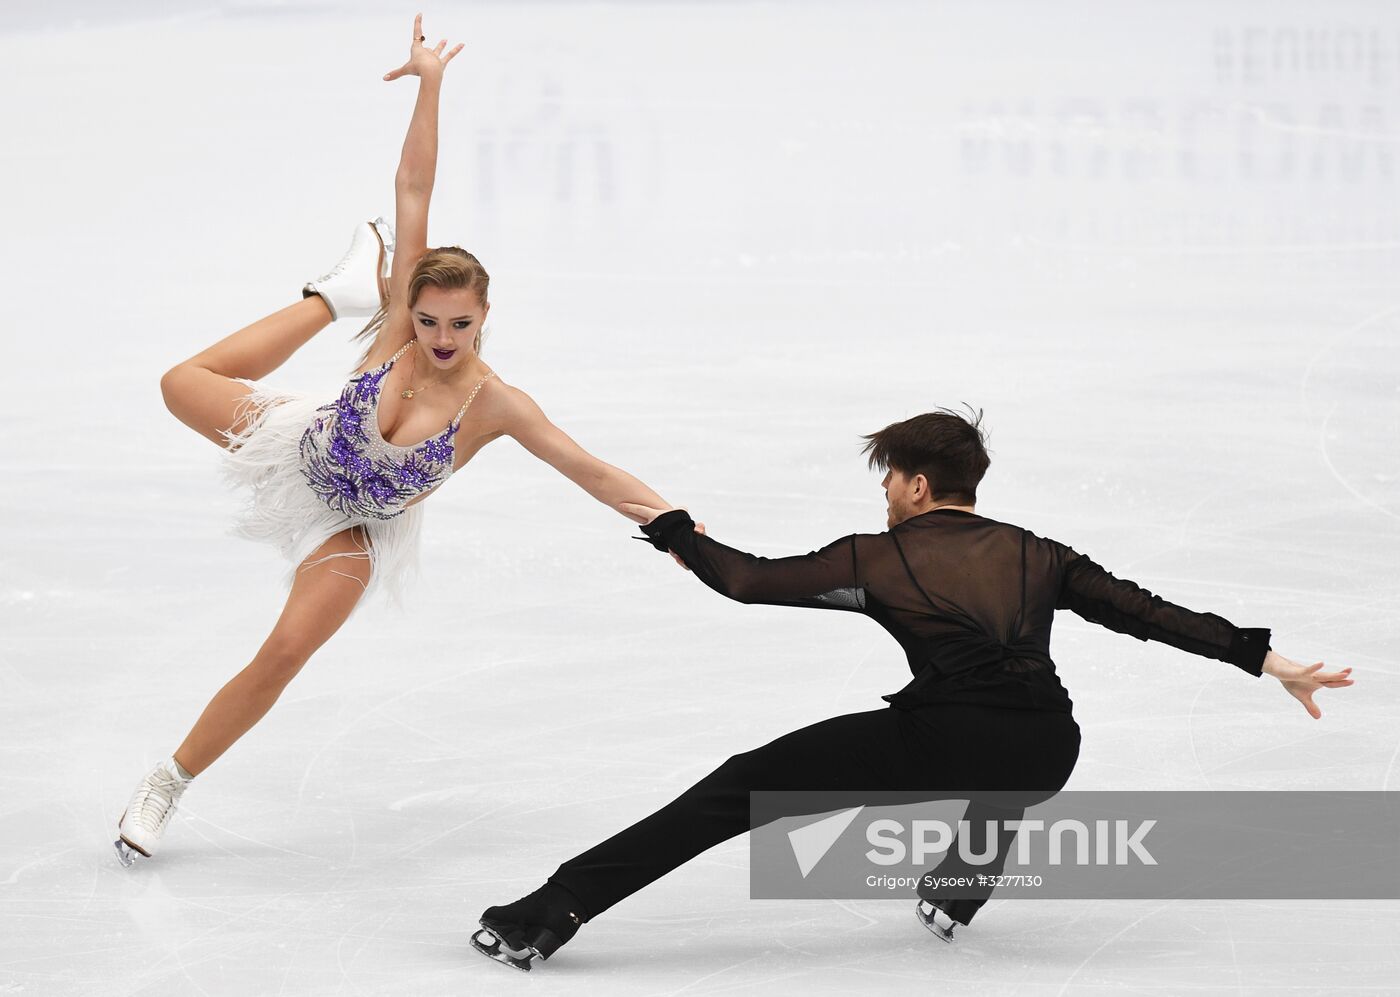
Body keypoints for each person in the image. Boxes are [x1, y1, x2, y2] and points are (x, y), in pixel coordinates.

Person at [471, 407, 1354, 971]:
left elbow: (748, 581)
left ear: (919, 482)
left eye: (890, 477)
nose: (885, 492)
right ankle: (961, 887)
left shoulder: (879, 555)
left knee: (743, 784)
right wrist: (1263, 659)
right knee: (1005, 768)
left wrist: (675, 532)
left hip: (950, 735)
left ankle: (550, 911)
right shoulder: (1038, 552)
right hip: (1052, 743)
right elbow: (1147, 612)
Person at [114, 16, 676, 866]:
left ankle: (169, 780)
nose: (441, 335)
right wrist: (431, 85)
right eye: (424, 317)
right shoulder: (399, 338)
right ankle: (332, 296)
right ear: (408, 307)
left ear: (485, 316)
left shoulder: (496, 405)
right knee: (177, 381)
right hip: (296, 447)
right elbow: (413, 189)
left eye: (458, 322)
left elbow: (586, 467)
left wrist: (674, 522)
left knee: (288, 648)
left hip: (355, 526)